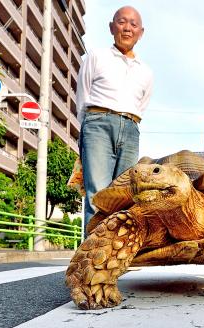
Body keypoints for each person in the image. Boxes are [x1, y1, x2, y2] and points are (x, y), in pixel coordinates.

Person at [76, 6, 153, 236]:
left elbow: (142, 104)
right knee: (97, 194)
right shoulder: (96, 56)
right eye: (122, 22)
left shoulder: (146, 72)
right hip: (97, 123)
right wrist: (89, 126)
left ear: (141, 32)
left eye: (133, 24)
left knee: (124, 196)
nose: (127, 27)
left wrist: (127, 120)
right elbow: (82, 95)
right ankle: (92, 260)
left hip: (131, 127)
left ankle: (112, 257)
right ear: (112, 27)